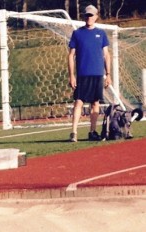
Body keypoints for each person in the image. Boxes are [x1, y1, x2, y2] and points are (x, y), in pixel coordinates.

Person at [67, 4, 111, 142]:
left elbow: (106, 55)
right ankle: (74, 132)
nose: (89, 17)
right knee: (78, 102)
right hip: (82, 75)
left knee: (95, 103)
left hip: (97, 74)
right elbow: (71, 56)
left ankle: (92, 132)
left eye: (91, 15)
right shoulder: (77, 33)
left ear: (96, 17)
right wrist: (72, 75)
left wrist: (108, 74)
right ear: (84, 16)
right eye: (87, 15)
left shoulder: (101, 34)